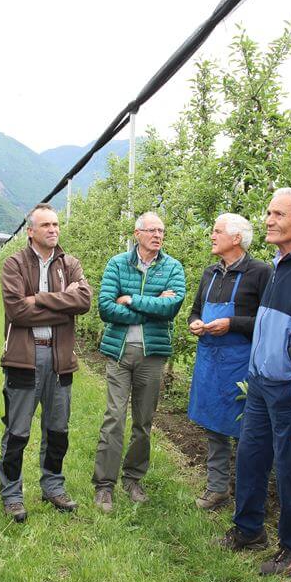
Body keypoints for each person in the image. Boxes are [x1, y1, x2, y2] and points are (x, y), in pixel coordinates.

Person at [218, 189, 291, 578]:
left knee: (290, 468)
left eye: (278, 213)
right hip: (261, 383)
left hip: (288, 388)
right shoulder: (277, 264)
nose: (268, 220)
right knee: (249, 458)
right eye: (267, 212)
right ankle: (249, 530)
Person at [0, 203, 92, 522]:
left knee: (58, 428)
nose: (53, 229)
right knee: (18, 430)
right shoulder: (14, 264)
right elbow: (16, 311)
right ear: (31, 231)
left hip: (59, 357)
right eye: (46, 225)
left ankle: (53, 485)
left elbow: (84, 301)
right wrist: (63, 304)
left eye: (56, 224)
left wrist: (37, 298)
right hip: (24, 357)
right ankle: (11, 493)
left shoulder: (71, 263)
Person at [92, 212, 186, 512]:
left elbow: (171, 306)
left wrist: (131, 299)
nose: (157, 236)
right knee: (114, 419)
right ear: (137, 233)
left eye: (161, 230)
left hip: (152, 355)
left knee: (143, 422)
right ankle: (104, 485)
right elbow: (106, 308)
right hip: (120, 353)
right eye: (152, 230)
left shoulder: (172, 267)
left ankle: (133, 479)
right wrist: (152, 306)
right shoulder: (117, 264)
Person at [187, 213, 271, 511]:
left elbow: (266, 320)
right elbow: (195, 310)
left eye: (216, 231)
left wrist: (231, 323)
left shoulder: (260, 272)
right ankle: (217, 487)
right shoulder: (210, 272)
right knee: (214, 426)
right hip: (211, 359)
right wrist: (196, 323)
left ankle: (247, 494)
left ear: (236, 238)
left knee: (245, 429)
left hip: (240, 362)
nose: (211, 235)